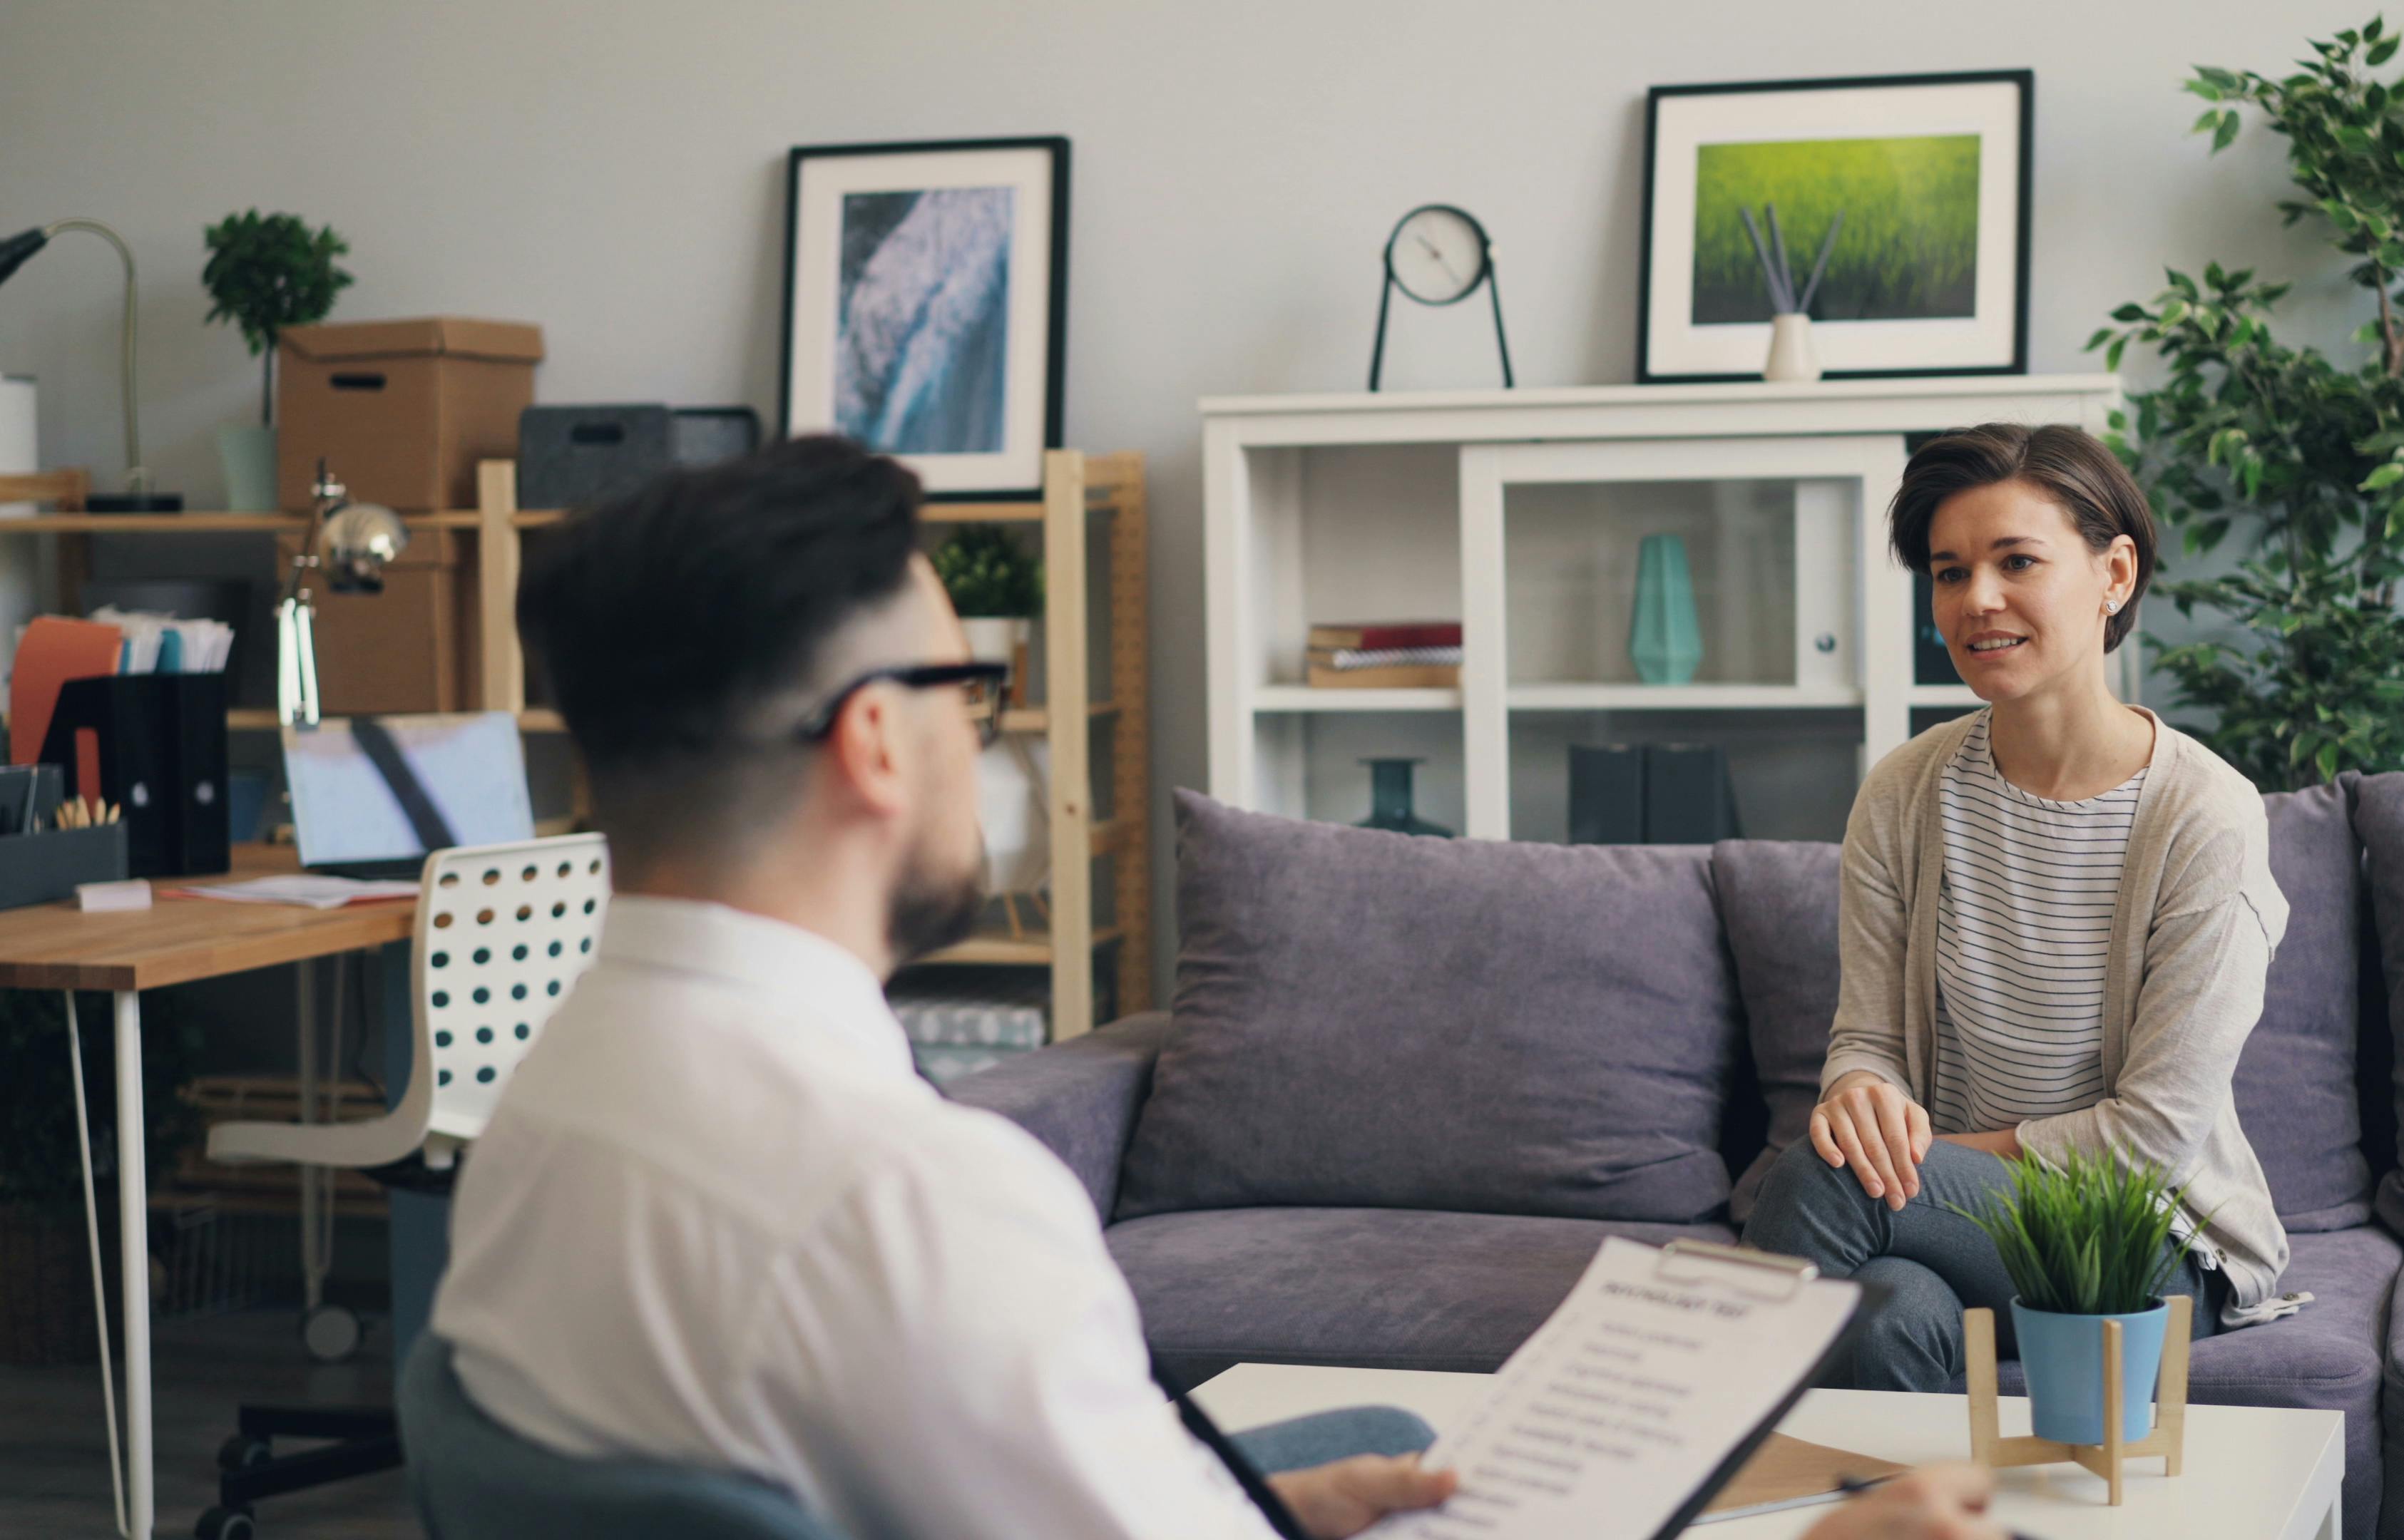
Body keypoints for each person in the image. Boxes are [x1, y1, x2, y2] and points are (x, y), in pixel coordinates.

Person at [429, 436, 2005, 1540]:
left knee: (1380, 1462)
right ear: (873, 741)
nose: (983, 739)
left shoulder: (547, 1106)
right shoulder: (907, 1198)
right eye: (967, 691)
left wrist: (1247, 1510)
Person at [1744, 422, 2305, 1394]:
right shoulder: (1906, 791)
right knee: (1884, 1319)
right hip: (1949, 1227)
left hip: (2146, 1245)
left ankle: (1684, 1464)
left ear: (2114, 573)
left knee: (1826, 1181)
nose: (1978, 601)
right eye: (1949, 572)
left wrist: (1892, 1166)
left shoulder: (2205, 815)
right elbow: (1867, 1038)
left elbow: (2149, 1140)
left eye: (2017, 562)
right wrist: (1861, 1102)